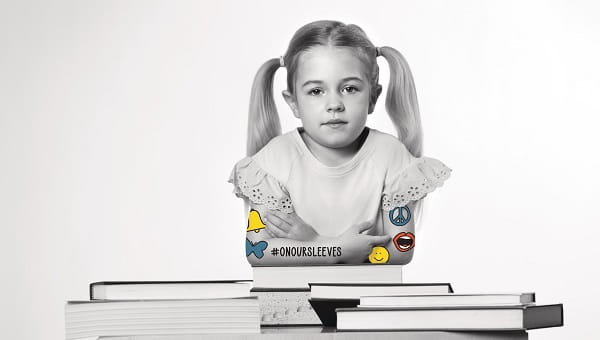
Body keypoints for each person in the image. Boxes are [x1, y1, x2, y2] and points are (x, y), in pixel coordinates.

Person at [229, 20, 451, 266]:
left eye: (349, 88)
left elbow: (401, 249)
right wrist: (333, 249)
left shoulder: (391, 157)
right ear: (293, 103)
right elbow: (258, 250)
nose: (334, 104)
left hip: (370, 301)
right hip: (294, 300)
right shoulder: (274, 161)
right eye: (316, 91)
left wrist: (315, 241)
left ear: (372, 97)